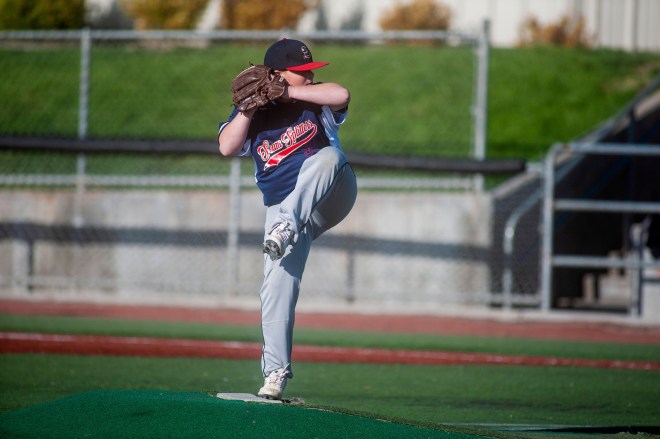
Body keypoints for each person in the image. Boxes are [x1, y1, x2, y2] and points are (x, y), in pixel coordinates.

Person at [217, 39, 357, 400]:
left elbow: (341, 93)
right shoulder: (256, 115)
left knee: (329, 157)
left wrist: (291, 92)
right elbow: (227, 146)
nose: (309, 76)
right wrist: (246, 109)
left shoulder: (314, 101)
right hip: (282, 212)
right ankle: (275, 372)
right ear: (276, 73)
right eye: (301, 72)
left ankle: (288, 224)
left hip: (331, 193)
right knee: (276, 285)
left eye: (310, 71)